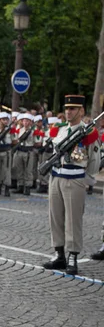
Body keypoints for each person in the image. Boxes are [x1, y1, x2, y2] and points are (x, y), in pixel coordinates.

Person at [42, 95, 100, 275]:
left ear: (82, 111)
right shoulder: (57, 130)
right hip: (56, 177)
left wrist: (86, 179)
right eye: (67, 108)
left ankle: (73, 255)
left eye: (73, 109)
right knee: (56, 217)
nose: (68, 111)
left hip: (75, 178)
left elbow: (94, 159)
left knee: (73, 219)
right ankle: (59, 254)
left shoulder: (89, 132)